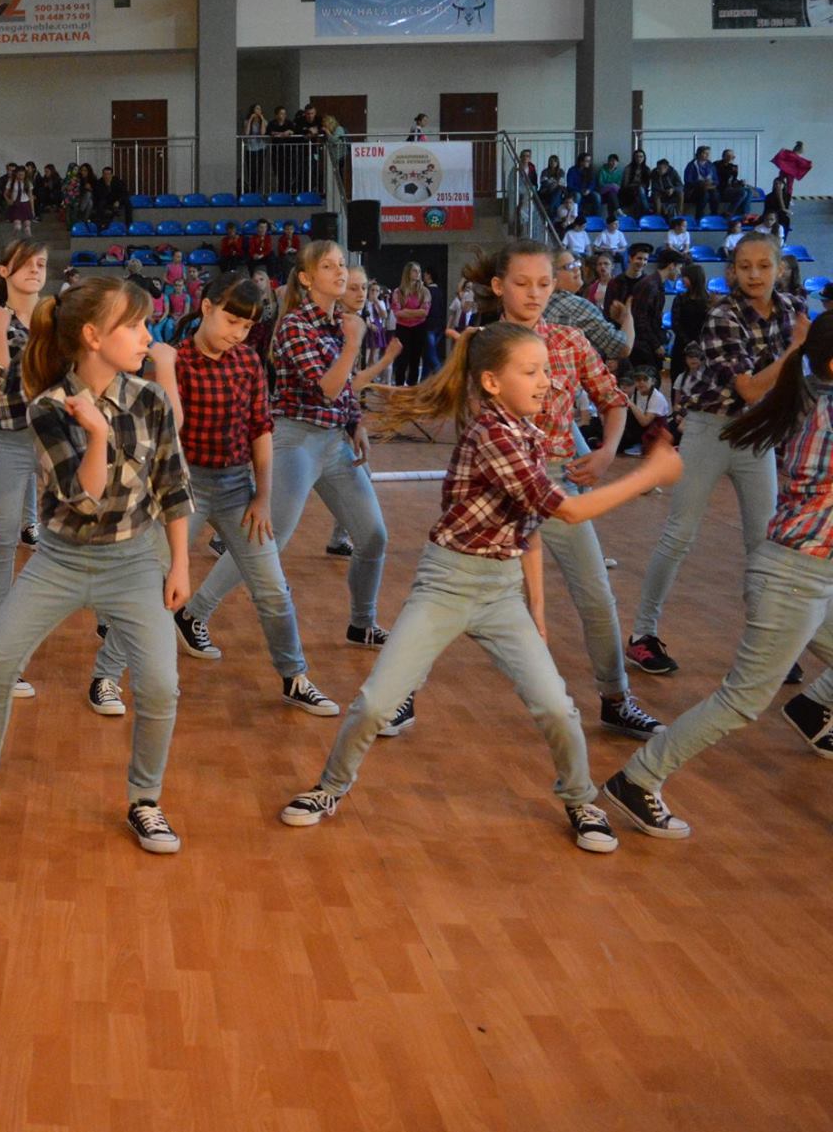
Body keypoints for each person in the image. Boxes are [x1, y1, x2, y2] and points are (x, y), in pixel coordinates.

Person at [277, 323, 683, 852]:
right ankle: (330, 788)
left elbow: (528, 531)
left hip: (501, 591)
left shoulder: (528, 435)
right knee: (376, 705)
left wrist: (536, 610)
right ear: (492, 383)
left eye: (547, 371)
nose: (547, 382)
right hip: (446, 585)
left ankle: (582, 798)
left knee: (557, 708)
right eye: (531, 372)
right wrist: (648, 474)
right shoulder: (493, 435)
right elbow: (568, 510)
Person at [0, 278, 193, 852]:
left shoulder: (151, 399)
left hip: (133, 560)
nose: (148, 336)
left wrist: (180, 565)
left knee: (160, 686)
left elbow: (173, 484)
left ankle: (145, 800)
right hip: (60, 559)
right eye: (134, 326)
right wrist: (97, 434)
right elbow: (83, 499)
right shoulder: (48, 406)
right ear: (93, 336)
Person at [602, 312, 833, 839]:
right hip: (794, 579)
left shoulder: (810, 394)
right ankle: (639, 778)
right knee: (741, 701)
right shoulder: (823, 412)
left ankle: (813, 707)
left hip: (812, 572)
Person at [90, 273, 341, 720]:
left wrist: (262, 497)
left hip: (236, 488)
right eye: (231, 321)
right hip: (181, 487)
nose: (237, 333)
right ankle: (105, 675)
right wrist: (165, 368)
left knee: (273, 590)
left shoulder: (248, 362)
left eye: (246, 326)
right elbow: (171, 429)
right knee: (153, 587)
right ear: (206, 308)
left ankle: (295, 677)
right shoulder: (174, 360)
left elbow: (260, 428)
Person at [464, 241, 667, 739]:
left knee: (595, 593)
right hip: (496, 485)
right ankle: (399, 694)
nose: (534, 293)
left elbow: (612, 400)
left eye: (543, 283)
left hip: (556, 480)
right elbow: (468, 416)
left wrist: (606, 453)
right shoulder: (481, 343)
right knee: (451, 593)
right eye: (522, 283)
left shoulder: (570, 340)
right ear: (499, 287)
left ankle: (616, 697)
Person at [175, 240, 391, 659]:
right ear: (307, 278)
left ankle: (362, 623)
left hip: (335, 440)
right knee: (266, 539)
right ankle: (194, 612)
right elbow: (327, 387)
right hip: (295, 441)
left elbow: (344, 389)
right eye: (328, 266)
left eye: (342, 264)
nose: (341, 272)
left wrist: (355, 420)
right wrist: (352, 345)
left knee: (373, 536)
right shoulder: (295, 326)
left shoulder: (342, 323)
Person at [628, 233, 809, 675]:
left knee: (762, 543)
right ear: (732, 271)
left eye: (763, 265)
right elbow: (749, 388)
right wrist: (795, 350)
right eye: (745, 266)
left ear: (780, 269)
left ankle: (766, 644)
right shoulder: (723, 315)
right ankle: (642, 635)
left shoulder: (791, 311)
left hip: (756, 434)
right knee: (680, 534)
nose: (754, 274)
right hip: (710, 429)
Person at [0, 240, 48, 621]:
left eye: (41, 263)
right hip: (8, 436)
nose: (35, 269)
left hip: (55, 437)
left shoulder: (56, 317)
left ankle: (97, 617)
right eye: (27, 263)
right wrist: (0, 332)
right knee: (3, 536)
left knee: (75, 530)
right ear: (4, 270)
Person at [390, 262, 434, 386]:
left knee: (415, 358)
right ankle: (399, 385)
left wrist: (406, 311)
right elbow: (397, 313)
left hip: (419, 327)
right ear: (408, 273)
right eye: (415, 271)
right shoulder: (398, 292)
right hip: (403, 327)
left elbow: (424, 312)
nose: (418, 273)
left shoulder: (424, 291)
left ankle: (412, 385)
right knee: (402, 358)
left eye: (419, 271)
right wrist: (415, 312)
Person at [619, 367, 672, 453]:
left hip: (655, 432)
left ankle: (640, 444)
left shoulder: (657, 398)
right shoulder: (637, 393)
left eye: (645, 379)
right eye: (638, 380)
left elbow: (644, 422)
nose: (641, 383)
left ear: (653, 381)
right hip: (639, 429)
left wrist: (630, 403)